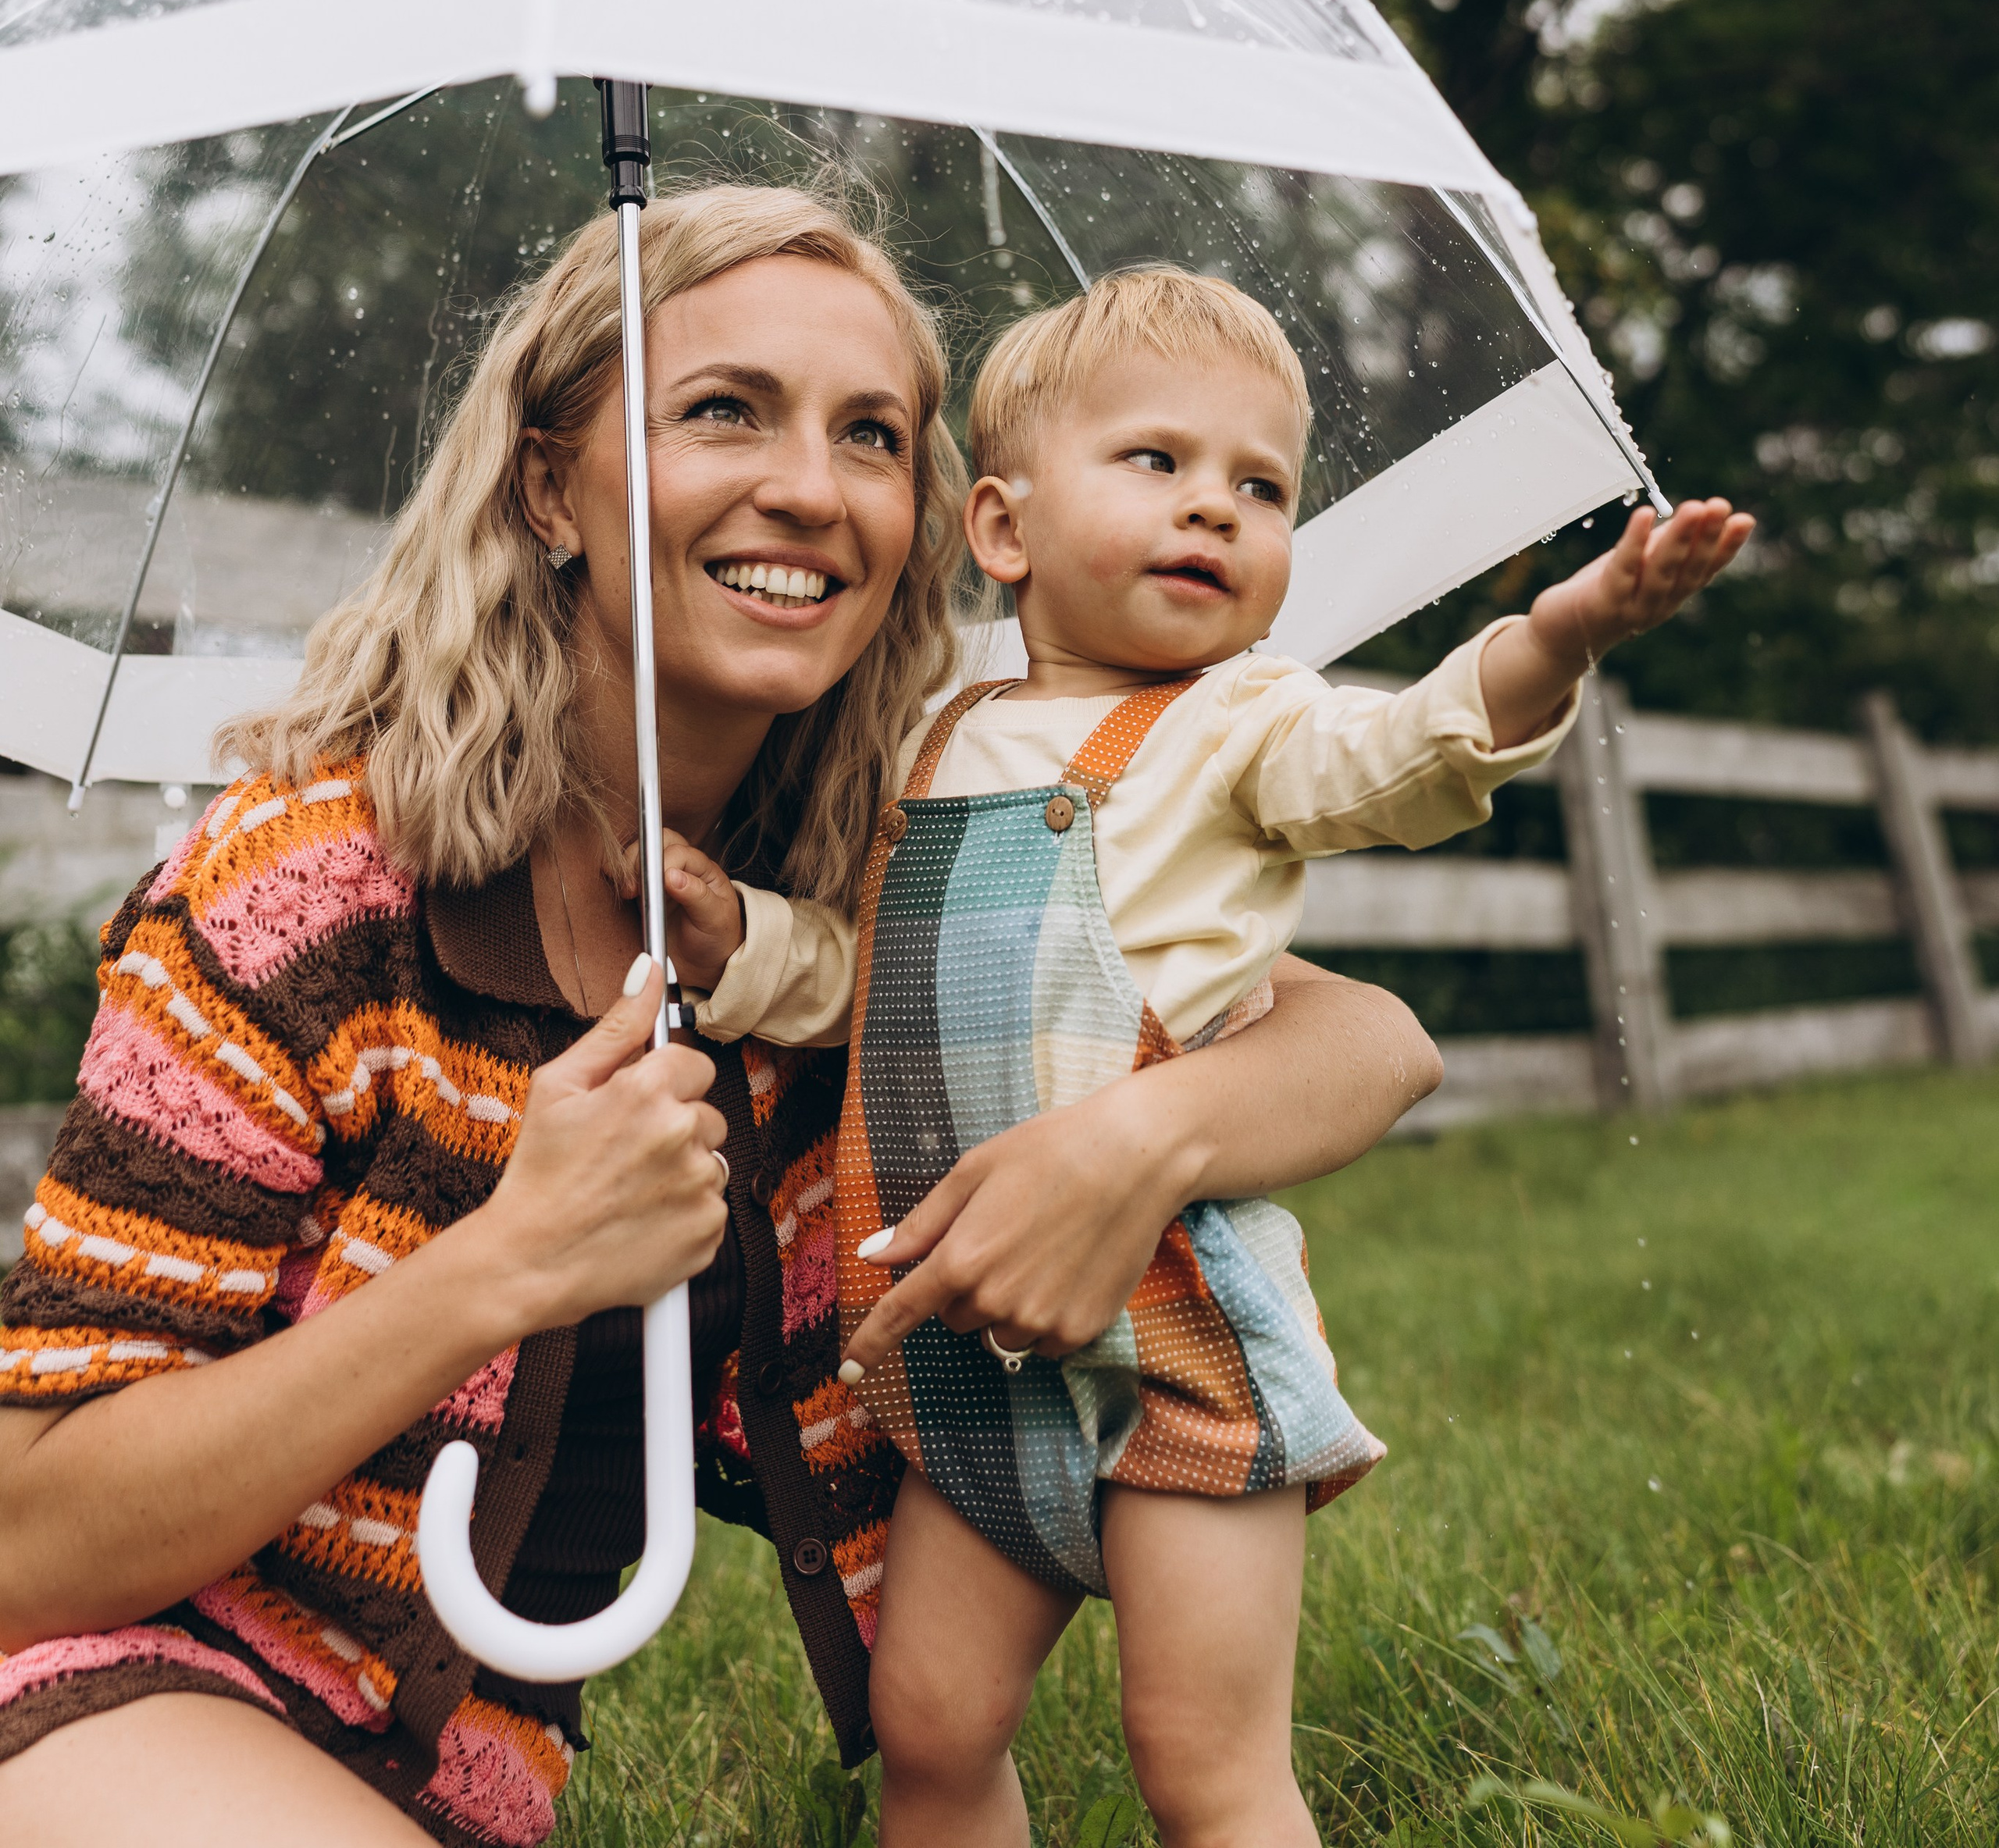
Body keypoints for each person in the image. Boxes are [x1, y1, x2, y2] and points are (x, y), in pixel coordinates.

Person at [0, 190, 1443, 1848]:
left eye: (870, 435)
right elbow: (27, 1547)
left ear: (933, 513)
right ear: (550, 482)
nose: (807, 491)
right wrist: (510, 1260)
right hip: (110, 1698)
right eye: (720, 412)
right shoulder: (305, 894)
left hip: (456, 1779)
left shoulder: (853, 897)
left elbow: (1363, 1039)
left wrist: (1137, 1136)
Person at [661, 268, 1755, 1848]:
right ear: (1002, 529)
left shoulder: (1243, 726)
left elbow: (1406, 756)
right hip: (965, 1336)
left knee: (1200, 1757)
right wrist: (738, 946)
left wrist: (1556, 637)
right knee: (927, 1722)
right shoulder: (935, 737)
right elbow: (869, 978)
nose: (1214, 513)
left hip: (1173, 1338)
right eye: (1156, 464)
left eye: (1259, 487)